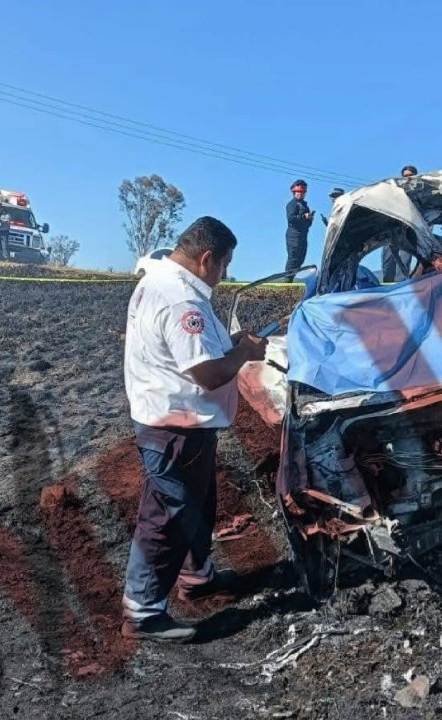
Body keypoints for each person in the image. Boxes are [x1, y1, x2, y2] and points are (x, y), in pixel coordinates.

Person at [121, 216, 268, 642]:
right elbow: (207, 373)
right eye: (224, 265)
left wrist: (232, 343)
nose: (224, 275)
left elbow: (186, 352)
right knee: (166, 517)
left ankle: (198, 576)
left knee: (198, 505)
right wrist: (242, 352)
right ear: (207, 259)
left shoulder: (160, 279)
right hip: (175, 427)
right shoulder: (182, 301)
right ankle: (142, 612)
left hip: (180, 423)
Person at [284, 179, 313, 278]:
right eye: (299, 192)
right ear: (294, 192)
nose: (301, 194)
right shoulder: (292, 204)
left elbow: (308, 223)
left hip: (303, 234)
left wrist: (309, 219)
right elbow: (291, 218)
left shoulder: (305, 206)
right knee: (293, 258)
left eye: (303, 192)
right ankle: (287, 281)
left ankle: (291, 278)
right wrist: (304, 217)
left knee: (301, 258)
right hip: (294, 235)